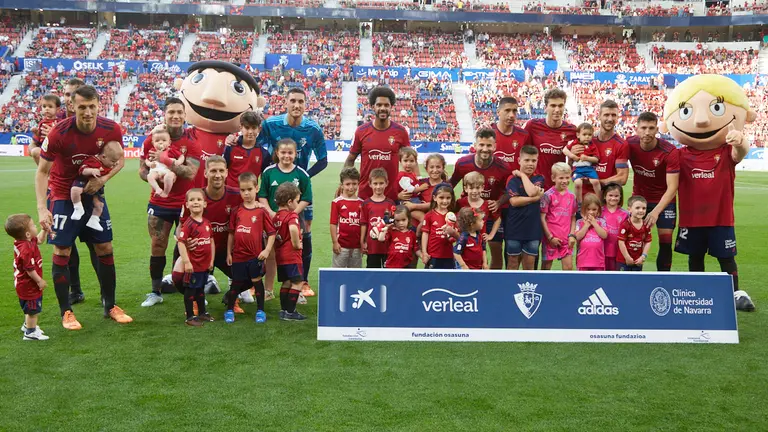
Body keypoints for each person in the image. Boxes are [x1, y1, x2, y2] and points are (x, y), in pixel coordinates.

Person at [35, 85, 132, 330]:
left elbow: (120, 159)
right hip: (62, 195)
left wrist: (103, 180)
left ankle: (110, 305)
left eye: (92, 107)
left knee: (104, 246)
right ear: (72, 107)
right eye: (82, 107)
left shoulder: (111, 128)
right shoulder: (59, 132)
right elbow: (42, 172)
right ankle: (66, 311)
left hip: (93, 194)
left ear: (99, 105)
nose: (87, 112)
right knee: (62, 251)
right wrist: (41, 208)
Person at [660, 74, 756, 311]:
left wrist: (740, 140)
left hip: (720, 218)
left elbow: (740, 153)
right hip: (692, 220)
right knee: (695, 257)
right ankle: (698, 293)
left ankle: (734, 293)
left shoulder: (725, 152)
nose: (702, 121)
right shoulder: (679, 155)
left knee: (726, 257)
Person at [257, 88, 327, 298]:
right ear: (285, 102)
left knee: (302, 235)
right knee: (269, 236)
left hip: (299, 196)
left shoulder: (313, 129)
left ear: (306, 104)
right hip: (274, 192)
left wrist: (302, 180)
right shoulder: (271, 124)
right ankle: (261, 283)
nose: (296, 105)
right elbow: (258, 150)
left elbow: (323, 160)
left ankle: (302, 282)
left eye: (301, 102)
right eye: (293, 101)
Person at [140, 98, 202, 307]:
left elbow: (190, 173)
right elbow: (142, 170)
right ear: (164, 115)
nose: (175, 116)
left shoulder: (191, 143)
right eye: (171, 112)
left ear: (185, 116)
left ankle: (192, 291)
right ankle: (155, 291)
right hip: (159, 203)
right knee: (158, 244)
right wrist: (153, 174)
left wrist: (166, 162)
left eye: (179, 112)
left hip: (186, 204)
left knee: (191, 246)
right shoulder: (151, 140)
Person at [40, 78, 90, 307]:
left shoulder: (89, 124)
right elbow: (37, 153)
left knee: (97, 244)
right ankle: (76, 290)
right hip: (60, 190)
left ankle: (106, 299)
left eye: (74, 94)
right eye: (67, 95)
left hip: (86, 189)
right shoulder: (56, 125)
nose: (70, 99)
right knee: (65, 244)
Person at [258, 138, 312, 303]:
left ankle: (297, 288)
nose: (286, 156)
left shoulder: (301, 173)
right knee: (271, 254)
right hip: (272, 219)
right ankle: (268, 290)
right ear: (277, 153)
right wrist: (270, 212)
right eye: (283, 152)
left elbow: (306, 198)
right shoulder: (268, 172)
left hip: (295, 220)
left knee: (294, 253)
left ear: (296, 154)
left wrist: (292, 214)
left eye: (290, 153)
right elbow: (262, 196)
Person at [450, 127, 510, 269]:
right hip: (468, 216)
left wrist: (498, 202)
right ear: (475, 145)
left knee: (496, 250)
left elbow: (509, 191)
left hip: (489, 214)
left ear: (495, 146)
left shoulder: (503, 167)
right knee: (466, 249)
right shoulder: (462, 164)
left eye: (489, 145)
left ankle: (493, 281)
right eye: (481, 145)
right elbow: (450, 185)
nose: (485, 149)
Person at [627, 112, 679, 272]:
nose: (647, 132)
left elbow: (673, 187)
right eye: (643, 128)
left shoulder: (669, 151)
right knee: (635, 241)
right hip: (639, 199)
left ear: (657, 129)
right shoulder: (629, 144)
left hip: (664, 201)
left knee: (665, 242)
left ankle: (663, 278)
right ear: (636, 129)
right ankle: (634, 278)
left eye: (651, 128)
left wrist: (656, 212)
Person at [225, 172, 276, 323]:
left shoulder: (261, 211)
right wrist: (229, 252)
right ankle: (229, 310)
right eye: (242, 190)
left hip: (255, 255)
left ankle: (260, 311)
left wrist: (266, 250)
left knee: (257, 282)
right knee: (236, 283)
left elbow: (271, 233)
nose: (246, 193)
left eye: (249, 189)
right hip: (238, 255)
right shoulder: (236, 211)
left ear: (256, 188)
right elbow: (231, 234)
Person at [346, 86, 411, 202]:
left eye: (386, 105)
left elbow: (411, 161)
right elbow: (350, 159)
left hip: (392, 196)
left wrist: (414, 184)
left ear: (391, 107)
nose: (383, 108)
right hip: (365, 196)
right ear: (372, 107)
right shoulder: (361, 131)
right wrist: (345, 184)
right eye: (379, 105)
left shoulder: (401, 132)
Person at [174, 189, 215, 326]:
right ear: (187, 205)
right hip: (193, 265)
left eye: (198, 199)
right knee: (190, 290)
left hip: (204, 265)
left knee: (200, 290)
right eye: (192, 200)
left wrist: (211, 261)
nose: (195, 202)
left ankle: (202, 312)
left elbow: (211, 242)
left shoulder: (207, 223)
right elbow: (181, 242)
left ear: (205, 204)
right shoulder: (188, 224)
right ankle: (190, 316)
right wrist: (187, 262)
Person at [5, 214, 49, 341]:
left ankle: (27, 326)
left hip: (25, 284)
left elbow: (39, 240)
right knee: (32, 309)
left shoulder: (26, 241)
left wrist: (44, 230)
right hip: (28, 285)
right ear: (28, 234)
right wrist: (39, 280)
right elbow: (29, 270)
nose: (36, 226)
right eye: (33, 225)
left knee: (31, 307)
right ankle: (30, 332)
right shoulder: (25, 249)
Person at [523, 88, 577, 190]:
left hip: (558, 188)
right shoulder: (532, 126)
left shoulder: (572, 130)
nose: (557, 110)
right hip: (536, 186)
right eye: (553, 105)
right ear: (545, 107)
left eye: (560, 106)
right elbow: (522, 154)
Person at [505, 146, 545, 271]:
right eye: (527, 160)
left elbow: (532, 191)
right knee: (512, 264)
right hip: (514, 228)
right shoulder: (511, 179)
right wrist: (534, 199)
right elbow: (514, 201)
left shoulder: (539, 178)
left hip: (532, 229)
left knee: (529, 266)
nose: (530, 164)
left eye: (534, 160)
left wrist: (522, 174)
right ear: (519, 161)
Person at [272, 183, 307, 321]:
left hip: (280, 256)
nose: (297, 204)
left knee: (286, 282)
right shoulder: (292, 216)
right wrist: (297, 244)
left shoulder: (276, 217)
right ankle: (291, 312)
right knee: (298, 282)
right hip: (292, 256)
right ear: (289, 202)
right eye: (297, 201)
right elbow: (293, 229)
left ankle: (283, 310)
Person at [579, 100, 630, 196]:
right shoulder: (588, 141)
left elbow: (622, 178)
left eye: (613, 115)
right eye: (606, 115)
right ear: (599, 116)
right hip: (585, 199)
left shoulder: (621, 144)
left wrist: (597, 182)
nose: (610, 119)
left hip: (607, 201)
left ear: (618, 117)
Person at [70, 141, 122, 232]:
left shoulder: (107, 163)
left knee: (99, 205)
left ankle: (94, 220)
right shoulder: (93, 160)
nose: (115, 164)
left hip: (98, 184)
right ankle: (78, 208)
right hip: (83, 180)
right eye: (113, 161)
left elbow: (116, 165)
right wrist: (91, 170)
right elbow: (82, 170)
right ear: (103, 157)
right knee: (75, 190)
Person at [540, 162, 577, 271]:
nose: (565, 181)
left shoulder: (572, 196)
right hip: (550, 239)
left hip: (566, 239)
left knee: (569, 268)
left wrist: (572, 235)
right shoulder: (548, 195)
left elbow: (573, 217)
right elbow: (542, 218)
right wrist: (550, 237)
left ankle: (567, 288)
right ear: (553, 178)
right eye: (561, 178)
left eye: (567, 177)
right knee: (546, 268)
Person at [224, 112, 270, 189]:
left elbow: (264, 179)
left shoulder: (264, 153)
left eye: (254, 128)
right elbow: (223, 170)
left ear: (259, 129)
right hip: (231, 196)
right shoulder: (230, 147)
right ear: (241, 128)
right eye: (247, 127)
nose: (250, 132)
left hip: (251, 197)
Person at [361, 168, 397, 268]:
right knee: (372, 274)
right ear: (370, 184)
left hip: (387, 247)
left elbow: (393, 224)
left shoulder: (390, 203)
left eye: (381, 183)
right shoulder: (366, 204)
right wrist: (362, 242)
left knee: (388, 273)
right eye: (375, 183)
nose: (378, 186)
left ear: (386, 183)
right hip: (372, 247)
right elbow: (364, 224)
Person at [330, 167, 364, 268]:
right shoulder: (337, 202)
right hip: (341, 246)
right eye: (348, 184)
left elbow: (363, 224)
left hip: (357, 247)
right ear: (342, 185)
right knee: (337, 274)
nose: (351, 187)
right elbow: (333, 223)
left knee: (355, 275)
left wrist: (362, 243)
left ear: (358, 183)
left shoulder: (362, 203)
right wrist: (335, 242)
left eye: (354, 184)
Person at [457, 171, 501, 247]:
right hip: (463, 241)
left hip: (480, 242)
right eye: (471, 188)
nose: (474, 191)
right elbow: (453, 216)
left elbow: (498, 219)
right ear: (465, 189)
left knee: (481, 258)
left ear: (482, 188)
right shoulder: (460, 202)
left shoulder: (488, 204)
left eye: (477, 188)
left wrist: (490, 235)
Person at [420, 183, 458, 269]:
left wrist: (452, 236)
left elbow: (456, 236)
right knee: (431, 280)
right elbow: (425, 234)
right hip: (433, 256)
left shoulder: (452, 216)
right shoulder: (429, 215)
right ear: (434, 198)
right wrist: (424, 252)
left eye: (448, 198)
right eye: (441, 197)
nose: (445, 201)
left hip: (448, 256)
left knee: (448, 280)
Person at [492, 96, 533, 172]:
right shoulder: (489, 133)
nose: (511, 115)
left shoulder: (524, 135)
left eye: (514, 111)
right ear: (498, 112)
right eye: (507, 110)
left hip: (515, 182)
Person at [563, 123, 601, 203]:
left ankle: (599, 201)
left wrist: (587, 158)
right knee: (577, 183)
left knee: (596, 182)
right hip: (577, 169)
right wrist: (572, 156)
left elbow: (596, 159)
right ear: (578, 135)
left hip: (589, 169)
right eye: (584, 134)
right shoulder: (574, 143)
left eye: (589, 135)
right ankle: (579, 202)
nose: (587, 137)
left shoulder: (592, 146)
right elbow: (564, 150)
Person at [145, 126, 186, 198]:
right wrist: (150, 164)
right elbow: (146, 160)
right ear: (153, 143)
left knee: (169, 177)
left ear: (169, 142)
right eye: (157, 141)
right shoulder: (152, 151)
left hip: (168, 170)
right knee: (150, 176)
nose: (161, 142)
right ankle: (158, 189)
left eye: (164, 140)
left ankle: (166, 192)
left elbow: (181, 156)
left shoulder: (171, 150)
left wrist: (178, 162)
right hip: (156, 170)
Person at [617, 196, 653, 271]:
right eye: (637, 208)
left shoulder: (646, 225)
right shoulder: (625, 225)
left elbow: (648, 241)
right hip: (624, 261)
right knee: (622, 281)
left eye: (644, 208)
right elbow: (621, 242)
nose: (641, 210)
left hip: (638, 261)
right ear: (629, 209)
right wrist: (627, 257)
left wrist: (643, 257)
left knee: (637, 281)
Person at [574, 194, 608, 271]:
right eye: (588, 209)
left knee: (598, 282)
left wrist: (595, 224)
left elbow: (604, 235)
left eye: (594, 209)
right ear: (583, 209)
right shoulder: (579, 222)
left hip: (598, 262)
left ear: (598, 210)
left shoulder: (601, 222)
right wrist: (586, 225)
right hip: (583, 262)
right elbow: (578, 237)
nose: (591, 212)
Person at [601, 183, 629, 271]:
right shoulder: (599, 211)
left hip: (618, 250)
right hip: (602, 250)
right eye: (610, 195)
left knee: (615, 275)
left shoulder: (625, 214)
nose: (613, 198)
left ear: (620, 197)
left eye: (616, 196)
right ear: (605, 196)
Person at [395, 147, 427, 221]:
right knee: (422, 217)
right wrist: (420, 188)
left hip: (414, 200)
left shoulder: (411, 174)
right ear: (400, 162)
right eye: (405, 161)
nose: (408, 164)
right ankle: (420, 232)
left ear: (415, 162)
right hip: (407, 202)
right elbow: (409, 189)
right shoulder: (402, 175)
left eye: (411, 161)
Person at [30, 94, 61, 165]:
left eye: (50, 106)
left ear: (58, 109)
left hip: (57, 152)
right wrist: (37, 134)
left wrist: (53, 133)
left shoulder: (60, 123)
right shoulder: (42, 123)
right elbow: (38, 140)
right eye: (44, 106)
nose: (47, 108)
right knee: (35, 151)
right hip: (44, 150)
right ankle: (44, 171)